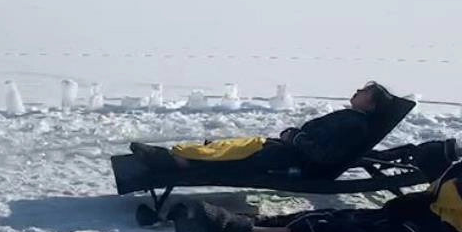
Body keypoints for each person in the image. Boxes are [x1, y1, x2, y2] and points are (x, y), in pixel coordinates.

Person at [184, 123, 462, 232]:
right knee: (340, 215)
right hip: (414, 223)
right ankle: (252, 224)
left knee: (335, 231)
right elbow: (427, 159)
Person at [129, 81, 394, 178]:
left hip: (297, 162)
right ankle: (187, 155)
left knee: (240, 156)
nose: (357, 91)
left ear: (370, 104)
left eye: (364, 91)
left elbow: (325, 156)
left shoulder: (355, 126)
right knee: (235, 146)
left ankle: (177, 162)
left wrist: (296, 137)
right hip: (291, 151)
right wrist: (295, 135)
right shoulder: (351, 119)